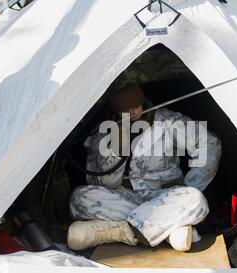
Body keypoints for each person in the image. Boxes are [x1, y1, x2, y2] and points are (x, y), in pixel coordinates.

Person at [67, 85, 222, 252]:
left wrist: (189, 184)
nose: (133, 112)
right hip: (124, 197)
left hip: (164, 197)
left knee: (195, 199)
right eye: (125, 110)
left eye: (136, 106)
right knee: (79, 198)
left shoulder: (168, 122)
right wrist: (116, 154)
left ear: (143, 101)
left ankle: (119, 232)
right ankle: (168, 230)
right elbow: (103, 183)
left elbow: (209, 144)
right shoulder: (103, 132)